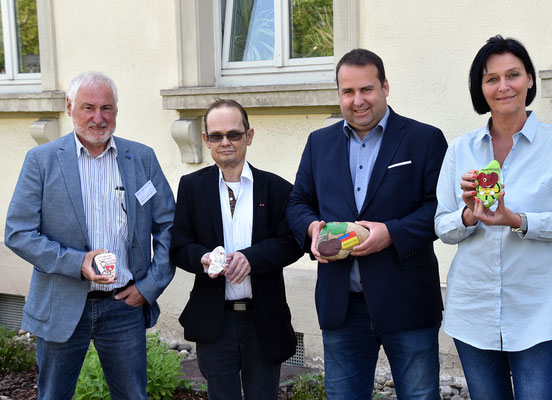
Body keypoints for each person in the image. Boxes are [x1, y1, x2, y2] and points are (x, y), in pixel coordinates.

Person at [435, 35, 552, 400]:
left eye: (513, 75)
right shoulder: (461, 148)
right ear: (480, 88)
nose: (503, 86)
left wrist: (517, 220)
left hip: (540, 311)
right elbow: (442, 225)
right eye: (492, 78)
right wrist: (468, 216)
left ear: (530, 80)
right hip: (474, 309)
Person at [286, 48, 448, 400]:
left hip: (407, 301)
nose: (358, 100)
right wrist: (313, 230)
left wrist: (391, 233)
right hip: (342, 304)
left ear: (385, 87)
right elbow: (298, 202)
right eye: (348, 91)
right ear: (340, 94)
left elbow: (439, 209)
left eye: (367, 89)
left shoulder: (424, 139)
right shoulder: (319, 143)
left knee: (420, 396)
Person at [4, 71, 175, 400]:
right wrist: (76, 262)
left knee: (133, 396)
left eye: (106, 108)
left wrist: (150, 285)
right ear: (69, 107)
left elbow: (168, 223)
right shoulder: (41, 161)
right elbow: (18, 232)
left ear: (116, 110)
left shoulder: (141, 158)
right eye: (88, 107)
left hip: (124, 305)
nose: (99, 118)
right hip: (62, 302)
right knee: (53, 395)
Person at [170, 99, 303, 400]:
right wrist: (202, 258)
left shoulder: (277, 188)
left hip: (263, 318)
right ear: (206, 140)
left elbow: (293, 243)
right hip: (214, 320)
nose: (225, 142)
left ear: (249, 136)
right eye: (216, 136)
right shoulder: (192, 186)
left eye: (234, 134)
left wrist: (251, 258)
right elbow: (178, 246)